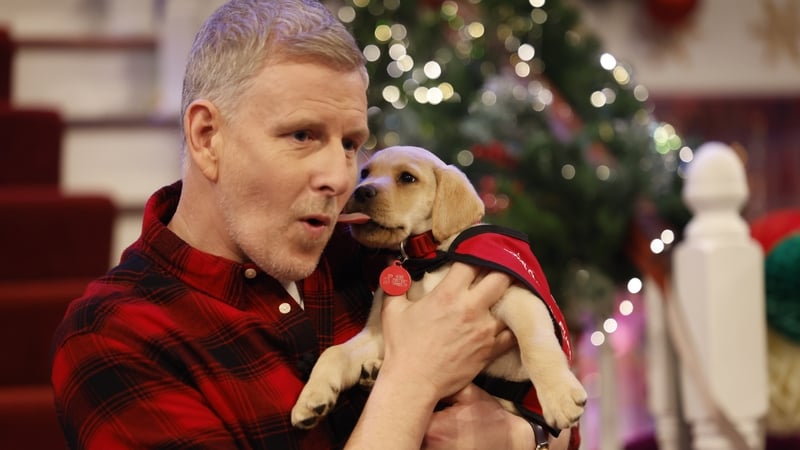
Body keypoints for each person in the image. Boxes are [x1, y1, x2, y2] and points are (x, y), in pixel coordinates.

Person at [51, 0, 572, 448]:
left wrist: (523, 437)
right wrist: (412, 381)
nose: (340, 177)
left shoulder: (380, 255)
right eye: (302, 135)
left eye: (349, 143)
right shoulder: (115, 336)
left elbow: (563, 413)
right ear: (208, 138)